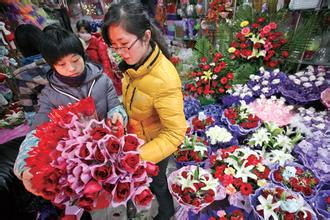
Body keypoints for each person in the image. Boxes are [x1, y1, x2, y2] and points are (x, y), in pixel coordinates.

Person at [14, 26, 127, 207]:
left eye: (75, 60)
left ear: (82, 54)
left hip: (110, 150)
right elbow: (37, 132)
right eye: (62, 64)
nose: (72, 68)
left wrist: (118, 116)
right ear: (52, 65)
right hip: (80, 162)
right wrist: (23, 165)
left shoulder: (102, 80)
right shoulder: (50, 95)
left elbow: (115, 105)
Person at [102, 1, 187, 219]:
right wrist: (121, 114)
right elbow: (136, 100)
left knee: (158, 185)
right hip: (138, 140)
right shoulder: (135, 64)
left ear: (146, 36)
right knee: (150, 185)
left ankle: (166, 214)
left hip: (154, 147)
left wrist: (137, 157)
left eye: (124, 44)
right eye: (114, 46)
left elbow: (175, 133)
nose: (120, 53)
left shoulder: (165, 79)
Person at [13, 24, 50, 124]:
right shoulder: (58, 60)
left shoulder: (22, 75)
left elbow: (29, 110)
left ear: (19, 47)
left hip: (49, 119)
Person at [76, 19, 122, 96]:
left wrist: (106, 79)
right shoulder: (78, 44)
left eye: (87, 32)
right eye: (82, 32)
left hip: (101, 74)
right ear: (78, 32)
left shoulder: (97, 42)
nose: (85, 34)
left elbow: (105, 62)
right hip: (88, 78)